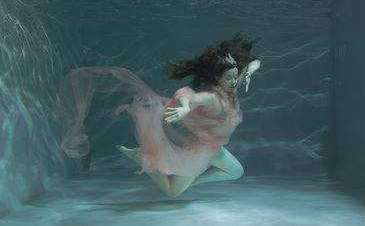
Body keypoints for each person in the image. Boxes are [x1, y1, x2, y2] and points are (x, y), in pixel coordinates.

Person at [59, 32, 261, 198]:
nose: (235, 82)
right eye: (230, 79)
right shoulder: (213, 97)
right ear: (217, 78)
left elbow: (255, 61)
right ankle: (142, 157)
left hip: (215, 149)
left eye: (236, 77)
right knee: (172, 193)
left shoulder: (230, 89)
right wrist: (183, 108)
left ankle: (194, 180)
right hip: (198, 152)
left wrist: (250, 70)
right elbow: (189, 96)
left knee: (236, 172)